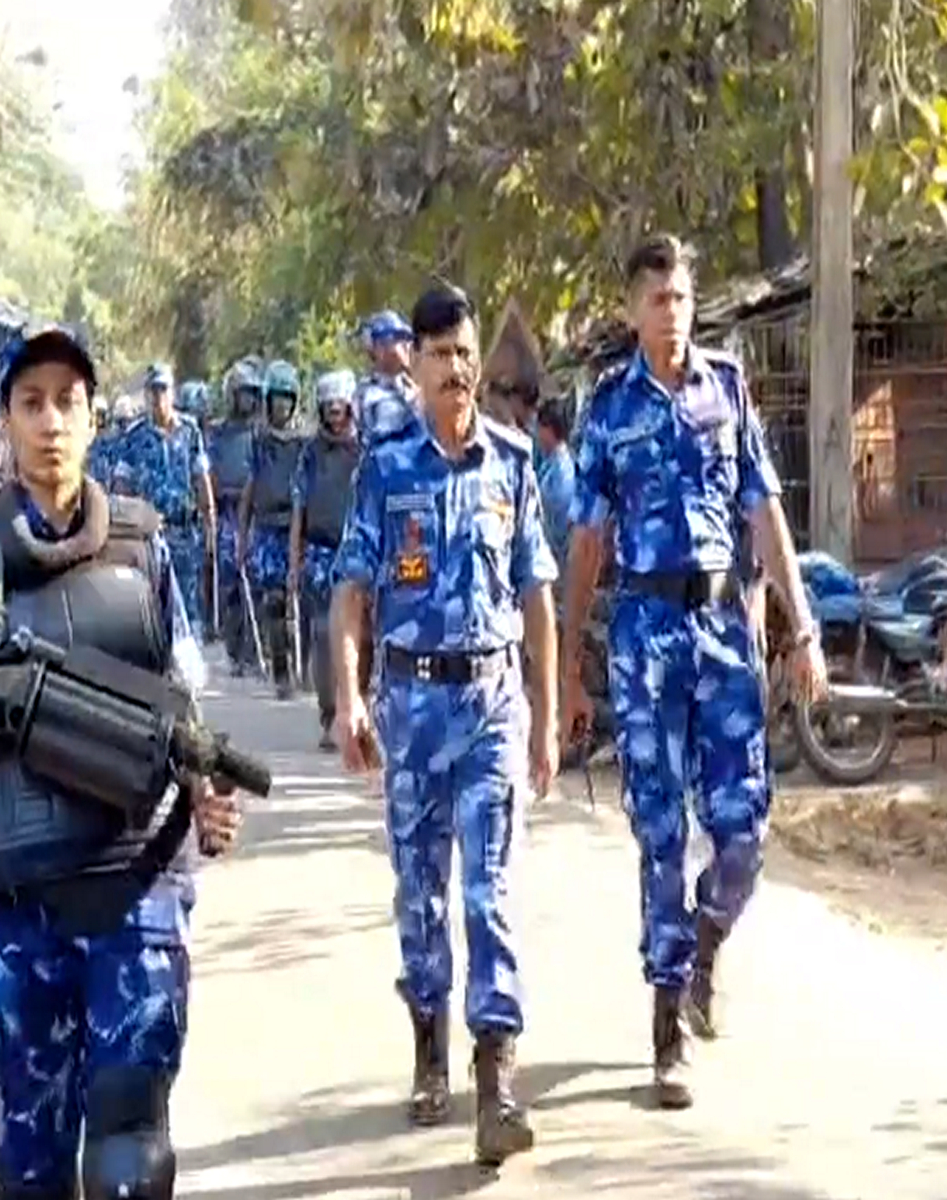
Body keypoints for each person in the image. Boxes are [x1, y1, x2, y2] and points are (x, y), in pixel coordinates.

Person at [0, 325, 243, 1199]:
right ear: (6, 420)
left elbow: (183, 697)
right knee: (30, 1174)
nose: (51, 421)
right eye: (31, 402)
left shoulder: (144, 548)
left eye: (68, 402)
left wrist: (207, 791)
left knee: (131, 1158)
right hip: (19, 912)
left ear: (92, 419)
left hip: (137, 890)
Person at [558, 234, 826, 1110]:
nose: (670, 313)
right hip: (644, 634)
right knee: (662, 835)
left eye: (679, 297)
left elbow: (764, 511)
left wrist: (802, 628)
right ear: (632, 309)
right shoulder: (609, 407)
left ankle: (707, 941)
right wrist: (566, 666)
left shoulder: (728, 387)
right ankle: (667, 1023)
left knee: (744, 832)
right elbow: (587, 541)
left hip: (722, 630)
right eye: (656, 300)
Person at [331, 282, 557, 1167]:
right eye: (439, 356)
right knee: (421, 897)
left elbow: (536, 595)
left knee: (489, 894)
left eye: (465, 352)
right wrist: (349, 698)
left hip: (494, 703)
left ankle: (497, 1082)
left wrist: (543, 715)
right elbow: (352, 594)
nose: (456, 369)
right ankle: (429, 1042)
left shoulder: (512, 463)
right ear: (415, 368)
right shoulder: (386, 470)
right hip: (413, 711)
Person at [113, 363, 217, 643]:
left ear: (173, 393)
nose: (158, 397)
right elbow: (122, 486)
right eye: (153, 390)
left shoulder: (190, 432)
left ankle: (189, 659)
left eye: (163, 389)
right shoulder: (135, 437)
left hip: (185, 534)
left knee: (189, 609)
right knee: (154, 607)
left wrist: (210, 522)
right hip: (150, 536)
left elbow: (201, 478)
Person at [290, 367, 362, 748]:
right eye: (328, 409)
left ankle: (358, 711)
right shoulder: (311, 454)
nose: (335, 416)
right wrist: (294, 560)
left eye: (340, 408)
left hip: (358, 551)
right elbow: (299, 509)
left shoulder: (367, 450)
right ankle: (329, 715)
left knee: (361, 636)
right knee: (322, 635)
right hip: (319, 554)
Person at [238, 360, 308, 696]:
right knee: (273, 603)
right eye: (276, 399)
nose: (281, 406)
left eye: (286, 399)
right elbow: (249, 489)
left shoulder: (305, 444)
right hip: (267, 531)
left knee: (306, 605)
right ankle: (281, 673)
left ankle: (310, 670)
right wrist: (242, 536)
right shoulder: (260, 442)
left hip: (298, 530)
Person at [208, 360, 262, 671]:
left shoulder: (260, 433)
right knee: (229, 582)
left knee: (253, 582)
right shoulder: (219, 433)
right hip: (228, 511)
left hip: (254, 514)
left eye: (252, 393)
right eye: (243, 393)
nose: (248, 400)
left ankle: (253, 650)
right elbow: (210, 473)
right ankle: (234, 649)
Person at [354, 310, 421, 447]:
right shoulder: (371, 396)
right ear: (379, 348)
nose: (407, 346)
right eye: (399, 340)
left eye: (407, 340)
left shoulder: (413, 386)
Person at [532, 396, 575, 573]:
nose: (537, 434)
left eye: (539, 428)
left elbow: (554, 527)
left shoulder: (561, 474)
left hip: (556, 559)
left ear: (549, 429)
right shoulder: (552, 462)